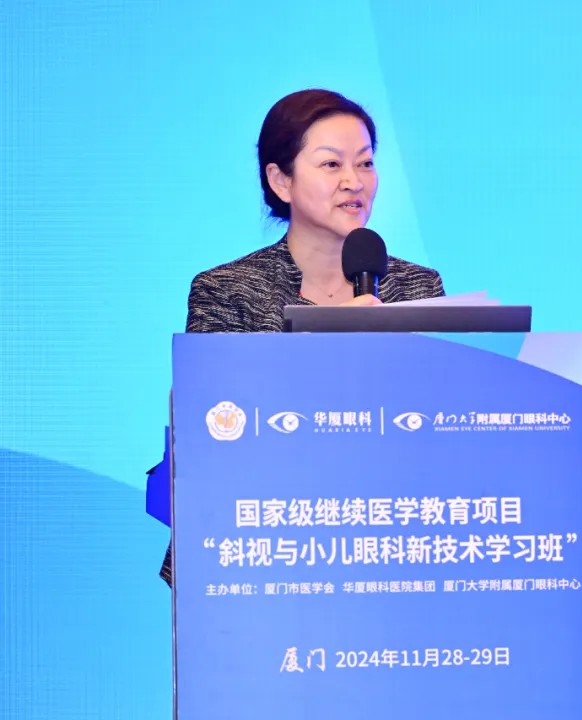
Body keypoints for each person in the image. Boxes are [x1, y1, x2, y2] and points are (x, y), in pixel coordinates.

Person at [159, 89, 446, 586]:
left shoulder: (416, 288)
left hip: (384, 540)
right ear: (281, 180)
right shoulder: (228, 289)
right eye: (331, 164)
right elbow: (213, 423)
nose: (354, 181)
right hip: (261, 542)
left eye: (365, 163)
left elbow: (440, 423)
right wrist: (323, 349)